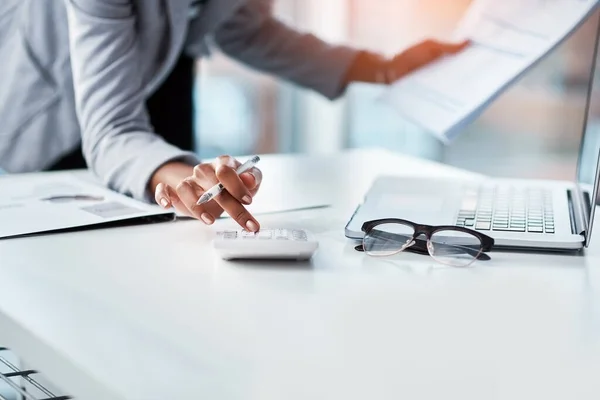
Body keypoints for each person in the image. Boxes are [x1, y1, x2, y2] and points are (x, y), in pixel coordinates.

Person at [0, 0, 468, 232]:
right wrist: (190, 175)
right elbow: (113, 131)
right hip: (43, 107)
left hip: (162, 64)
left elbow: (244, 26)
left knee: (173, 227)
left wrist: (378, 67)